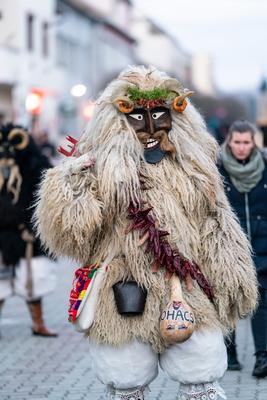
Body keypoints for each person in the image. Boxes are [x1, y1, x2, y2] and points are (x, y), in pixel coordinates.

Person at [35, 67, 257, 399]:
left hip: (186, 288)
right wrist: (70, 186)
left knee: (199, 372)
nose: (150, 128)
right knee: (126, 377)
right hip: (122, 290)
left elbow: (217, 223)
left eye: (159, 115)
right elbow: (71, 236)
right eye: (138, 116)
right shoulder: (99, 170)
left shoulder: (194, 169)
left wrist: (234, 278)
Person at [219, 120, 267, 378]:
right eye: (237, 142)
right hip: (229, 249)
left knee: (261, 302)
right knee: (228, 302)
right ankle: (230, 354)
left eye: (246, 142)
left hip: (262, 246)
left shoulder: (265, 168)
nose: (241, 147)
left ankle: (262, 356)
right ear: (230, 142)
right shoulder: (217, 170)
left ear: (254, 143)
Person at [0, 123, 57, 337]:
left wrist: (34, 226)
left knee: (33, 278)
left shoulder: (33, 165)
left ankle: (38, 322)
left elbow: (42, 193)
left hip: (28, 235)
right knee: (0, 282)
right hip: (2, 235)